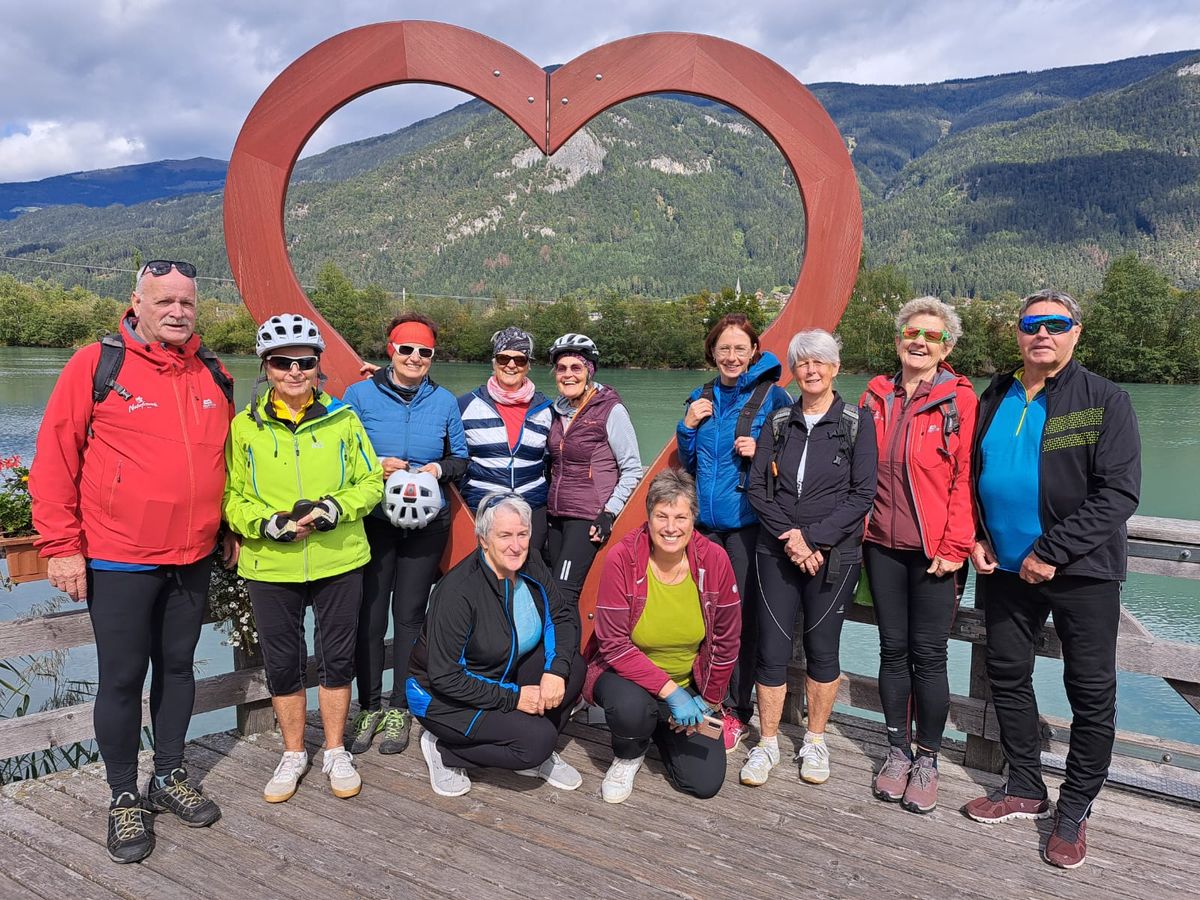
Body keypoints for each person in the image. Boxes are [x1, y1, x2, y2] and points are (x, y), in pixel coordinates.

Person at [30, 259, 228, 863]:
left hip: (192, 555)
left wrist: (229, 529)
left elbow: (227, 462)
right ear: (136, 303)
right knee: (120, 678)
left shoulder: (213, 374)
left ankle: (168, 775)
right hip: (119, 557)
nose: (176, 311)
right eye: (164, 300)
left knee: (179, 669)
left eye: (186, 303)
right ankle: (122, 795)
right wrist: (62, 546)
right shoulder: (98, 364)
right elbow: (55, 457)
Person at [963, 290, 1140, 870]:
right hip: (1006, 570)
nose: (1043, 333)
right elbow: (975, 474)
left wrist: (1052, 551)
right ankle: (1025, 786)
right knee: (1007, 675)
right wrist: (981, 536)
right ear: (1019, 334)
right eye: (1032, 324)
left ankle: (1076, 808)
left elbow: (1118, 493)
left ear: (1075, 333)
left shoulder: (1104, 399)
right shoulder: (996, 393)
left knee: (1090, 691)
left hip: (1080, 572)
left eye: (1055, 324)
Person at [223, 314, 382, 804]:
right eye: (281, 362)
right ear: (266, 368)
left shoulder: (344, 419)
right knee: (282, 663)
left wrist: (336, 508)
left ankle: (335, 749)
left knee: (337, 659)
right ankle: (293, 753)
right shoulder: (245, 427)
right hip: (272, 564)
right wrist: (265, 523)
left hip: (338, 559)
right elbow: (231, 496)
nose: (294, 372)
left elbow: (371, 482)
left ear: (318, 368)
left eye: (305, 363)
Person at [743, 329, 877, 788]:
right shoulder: (779, 422)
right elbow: (758, 488)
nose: (812, 370)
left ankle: (815, 740)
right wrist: (790, 538)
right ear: (795, 371)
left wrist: (814, 540)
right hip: (777, 551)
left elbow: (863, 494)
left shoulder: (857, 422)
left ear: (836, 369)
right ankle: (767, 743)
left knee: (823, 649)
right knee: (772, 649)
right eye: (803, 363)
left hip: (834, 555)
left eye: (821, 362)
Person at [859, 297, 978, 813]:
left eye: (931, 336)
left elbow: (965, 476)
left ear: (946, 346)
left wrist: (955, 545)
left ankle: (926, 759)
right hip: (880, 546)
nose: (920, 342)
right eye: (912, 333)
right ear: (899, 339)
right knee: (891, 650)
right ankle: (896, 751)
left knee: (929, 658)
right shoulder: (875, 394)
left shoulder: (958, 399)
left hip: (935, 553)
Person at [342, 313, 468, 757]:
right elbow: (342, 454)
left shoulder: (444, 402)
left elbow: (461, 459)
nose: (415, 357)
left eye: (425, 351)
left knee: (411, 617)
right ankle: (369, 704)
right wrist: (374, 464)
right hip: (374, 522)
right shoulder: (358, 395)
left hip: (426, 525)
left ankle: (400, 707)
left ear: (433, 356)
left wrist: (437, 468)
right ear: (390, 350)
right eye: (407, 348)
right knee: (371, 617)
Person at [407, 492, 584, 797]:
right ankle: (445, 751)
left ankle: (522, 740)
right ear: (484, 539)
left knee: (573, 669)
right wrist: (514, 698)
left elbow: (561, 616)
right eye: (504, 535)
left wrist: (555, 670)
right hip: (443, 698)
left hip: (501, 672)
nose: (516, 545)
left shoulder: (530, 562)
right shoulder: (458, 593)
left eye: (522, 534)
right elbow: (445, 677)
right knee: (537, 743)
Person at [583, 468, 741, 804]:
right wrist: (671, 693)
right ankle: (629, 753)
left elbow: (727, 639)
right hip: (625, 677)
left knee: (705, 782)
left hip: (687, 684)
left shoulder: (714, 559)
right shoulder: (622, 558)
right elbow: (612, 643)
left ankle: (660, 727)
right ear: (649, 515)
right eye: (662, 516)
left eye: (681, 517)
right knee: (631, 708)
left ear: (694, 518)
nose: (671, 527)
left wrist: (709, 697)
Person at [677, 312, 792, 753]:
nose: (730, 356)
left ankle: (735, 710)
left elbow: (793, 459)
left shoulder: (774, 398)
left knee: (738, 621)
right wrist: (687, 426)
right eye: (723, 348)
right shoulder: (701, 397)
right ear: (712, 352)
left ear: (753, 353)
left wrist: (762, 448)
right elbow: (688, 462)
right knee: (702, 618)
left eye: (739, 349)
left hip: (746, 528)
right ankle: (705, 697)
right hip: (703, 527)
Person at [545, 333, 642, 607]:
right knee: (551, 590)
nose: (568, 375)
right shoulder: (556, 411)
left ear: (589, 372)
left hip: (587, 517)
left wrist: (609, 512)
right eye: (561, 368)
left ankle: (564, 652)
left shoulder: (610, 410)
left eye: (576, 368)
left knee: (563, 595)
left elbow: (632, 468)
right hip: (556, 514)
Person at [458, 327, 553, 554]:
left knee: (527, 578)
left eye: (519, 360)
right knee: (482, 581)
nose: (511, 365)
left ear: (528, 365)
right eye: (503, 358)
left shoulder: (547, 409)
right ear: (494, 362)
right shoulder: (465, 405)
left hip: (531, 509)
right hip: (481, 509)